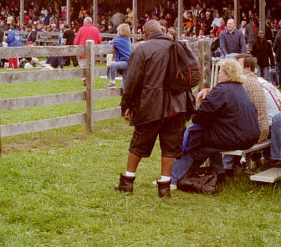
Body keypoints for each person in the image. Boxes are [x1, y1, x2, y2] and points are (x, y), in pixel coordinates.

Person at [116, 19, 194, 198]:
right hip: (177, 106)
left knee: (138, 143)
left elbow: (132, 82)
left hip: (150, 106)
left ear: (145, 33)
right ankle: (165, 186)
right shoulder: (177, 46)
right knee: (170, 147)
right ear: (163, 30)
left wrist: (126, 105)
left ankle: (128, 181)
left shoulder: (142, 49)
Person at [170, 60, 259, 188]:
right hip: (249, 136)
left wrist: (197, 110)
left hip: (235, 137)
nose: (218, 76)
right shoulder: (240, 89)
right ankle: (219, 173)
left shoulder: (222, 90)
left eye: (220, 73)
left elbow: (199, 118)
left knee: (194, 140)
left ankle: (173, 178)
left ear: (227, 74)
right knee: (210, 139)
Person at [108, 23, 131, 88]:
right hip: (130, 62)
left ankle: (112, 82)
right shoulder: (127, 39)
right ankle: (125, 94)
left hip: (125, 62)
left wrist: (111, 41)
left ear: (120, 32)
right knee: (125, 81)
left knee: (113, 65)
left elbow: (109, 44)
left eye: (118, 31)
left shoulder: (119, 40)